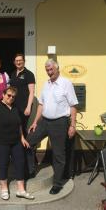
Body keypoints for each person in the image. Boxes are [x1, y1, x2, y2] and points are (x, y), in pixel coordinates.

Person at [27, 59, 78, 195]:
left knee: (58, 154)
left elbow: (73, 106)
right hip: (44, 121)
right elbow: (41, 105)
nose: (49, 72)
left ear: (57, 68)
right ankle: (30, 171)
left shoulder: (66, 84)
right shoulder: (46, 84)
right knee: (28, 141)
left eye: (51, 69)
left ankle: (57, 183)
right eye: (47, 70)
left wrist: (73, 125)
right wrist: (35, 122)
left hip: (59, 123)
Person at [0, 86, 35, 200]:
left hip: (16, 141)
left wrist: (22, 137)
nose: (11, 98)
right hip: (1, 142)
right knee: (3, 164)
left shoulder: (15, 108)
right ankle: (4, 188)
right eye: (9, 95)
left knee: (20, 163)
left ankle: (21, 190)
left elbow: (19, 125)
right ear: (3, 95)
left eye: (13, 96)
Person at [9, 54, 35, 138]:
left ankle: (26, 149)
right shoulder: (12, 74)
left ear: (24, 61)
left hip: (24, 107)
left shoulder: (29, 74)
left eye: (20, 60)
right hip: (13, 106)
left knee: (24, 129)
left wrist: (28, 107)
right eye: (17, 61)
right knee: (15, 128)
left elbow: (31, 92)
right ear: (14, 62)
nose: (18, 62)